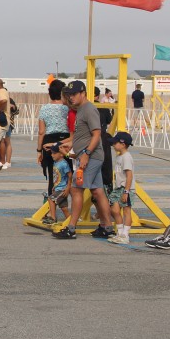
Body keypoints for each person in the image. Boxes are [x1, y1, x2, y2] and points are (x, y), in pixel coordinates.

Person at [53, 81, 114, 239]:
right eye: (69, 95)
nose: (71, 97)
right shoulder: (81, 110)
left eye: (74, 94)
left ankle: (71, 228)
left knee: (76, 189)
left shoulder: (89, 109)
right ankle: (107, 227)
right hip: (88, 155)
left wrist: (86, 153)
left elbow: (96, 134)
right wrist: (68, 146)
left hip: (91, 156)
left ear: (83, 93)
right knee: (97, 191)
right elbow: (82, 136)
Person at [38, 79, 71, 196]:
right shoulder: (68, 108)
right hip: (66, 141)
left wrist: (39, 151)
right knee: (68, 173)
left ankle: (52, 201)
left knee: (53, 176)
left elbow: (41, 132)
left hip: (49, 142)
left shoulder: (44, 109)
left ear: (50, 93)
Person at [106, 132, 135, 245]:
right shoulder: (119, 156)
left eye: (115, 143)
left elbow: (129, 176)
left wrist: (126, 192)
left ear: (123, 144)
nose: (113, 145)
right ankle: (120, 232)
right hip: (118, 188)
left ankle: (125, 235)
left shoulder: (127, 157)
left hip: (125, 188)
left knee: (126, 211)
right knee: (114, 210)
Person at [41, 144, 72, 225]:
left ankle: (53, 218)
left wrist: (68, 188)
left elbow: (70, 175)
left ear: (61, 154)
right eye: (51, 153)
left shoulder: (64, 164)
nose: (52, 155)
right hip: (57, 188)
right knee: (64, 208)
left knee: (51, 199)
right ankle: (71, 222)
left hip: (62, 189)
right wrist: (54, 186)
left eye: (54, 153)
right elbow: (57, 177)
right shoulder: (56, 163)